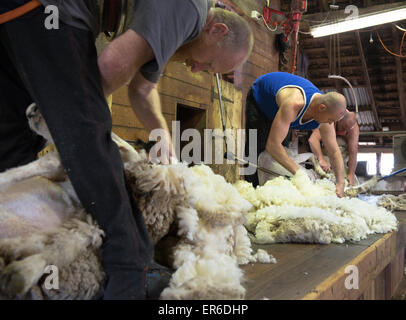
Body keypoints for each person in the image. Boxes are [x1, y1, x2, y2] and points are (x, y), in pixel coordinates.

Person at [0, 0, 253, 299]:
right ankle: (133, 268)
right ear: (217, 30)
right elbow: (112, 64)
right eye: (209, 64)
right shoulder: (189, 8)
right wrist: (77, 117)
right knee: (92, 131)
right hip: (52, 9)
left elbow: (142, 89)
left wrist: (161, 136)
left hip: (13, 14)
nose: (197, 69)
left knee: (11, 136)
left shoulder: (177, 20)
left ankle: (11, 236)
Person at [244, 72, 347, 197]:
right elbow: (272, 146)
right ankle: (251, 193)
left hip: (283, 113)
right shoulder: (294, 104)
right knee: (256, 150)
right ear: (322, 107)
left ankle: (274, 194)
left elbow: (334, 152)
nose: (331, 123)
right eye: (330, 119)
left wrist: (340, 183)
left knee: (285, 154)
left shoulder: (326, 116)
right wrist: (300, 174)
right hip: (261, 101)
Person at [308, 111, 359, 186]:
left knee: (350, 180)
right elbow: (313, 140)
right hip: (324, 150)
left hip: (341, 156)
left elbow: (353, 151)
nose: (345, 131)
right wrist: (321, 160)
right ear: (339, 120)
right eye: (344, 127)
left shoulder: (353, 127)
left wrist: (351, 174)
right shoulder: (328, 119)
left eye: (347, 130)